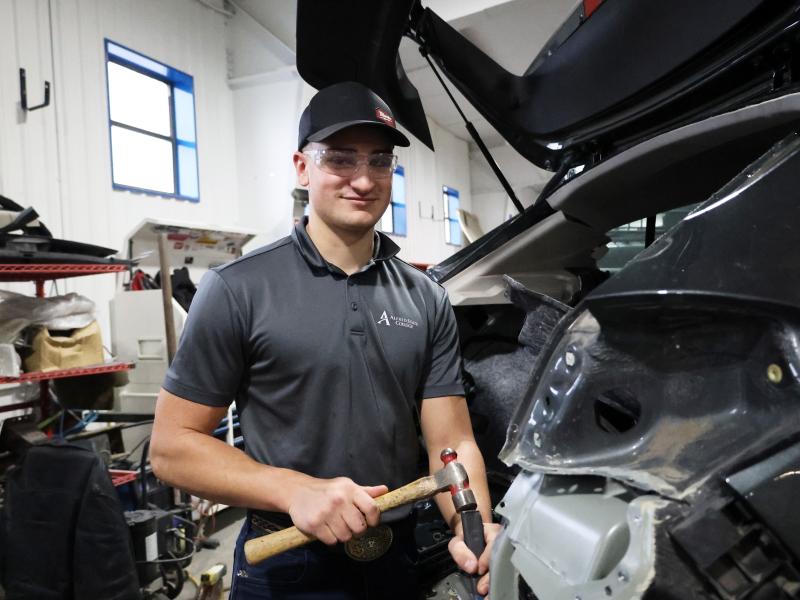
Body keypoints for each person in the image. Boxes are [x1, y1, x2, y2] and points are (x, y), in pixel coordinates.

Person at [150, 81, 499, 599]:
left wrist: (475, 527)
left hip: (396, 558)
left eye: (379, 162)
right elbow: (172, 448)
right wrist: (294, 489)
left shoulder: (425, 298)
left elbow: (453, 443)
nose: (363, 179)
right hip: (286, 561)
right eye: (340, 158)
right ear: (302, 167)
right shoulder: (237, 289)